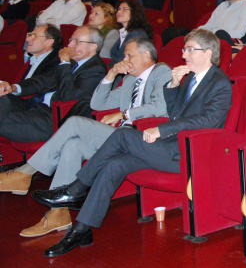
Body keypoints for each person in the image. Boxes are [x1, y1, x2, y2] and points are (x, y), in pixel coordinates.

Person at [34, 29, 231, 257]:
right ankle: (81, 230)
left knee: (122, 135)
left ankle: (76, 188)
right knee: (114, 164)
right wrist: (174, 85)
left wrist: (162, 128)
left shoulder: (220, 82)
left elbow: (208, 120)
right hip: (170, 146)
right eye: (184, 48)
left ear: (207, 53)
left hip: (190, 153)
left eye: (189, 49)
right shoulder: (190, 78)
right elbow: (176, 113)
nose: (184, 54)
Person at [0, 37, 172, 237]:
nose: (124, 59)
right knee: (73, 145)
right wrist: (112, 73)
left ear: (146, 55)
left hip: (139, 139)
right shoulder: (131, 79)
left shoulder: (162, 71)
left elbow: (161, 107)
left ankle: (26, 172)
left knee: (74, 122)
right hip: (117, 137)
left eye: (129, 55)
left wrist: (123, 114)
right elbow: (97, 104)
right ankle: (58, 215)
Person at [0, 26, 107, 143]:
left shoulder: (96, 69)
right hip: (35, 106)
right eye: (71, 40)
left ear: (93, 46)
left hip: (49, 119)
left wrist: (65, 62)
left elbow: (68, 95)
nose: (70, 45)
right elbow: (43, 81)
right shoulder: (72, 62)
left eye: (76, 41)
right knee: (4, 98)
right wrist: (14, 87)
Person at [165, 0, 246, 46]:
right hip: (207, 36)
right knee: (169, 32)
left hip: (219, 41)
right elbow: (208, 25)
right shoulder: (222, 5)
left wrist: (210, 33)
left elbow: (239, 33)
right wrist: (198, 31)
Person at [109, 0, 153, 64]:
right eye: (118, 9)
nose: (119, 12)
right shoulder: (125, 32)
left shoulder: (137, 34)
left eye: (124, 9)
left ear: (134, 12)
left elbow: (128, 61)